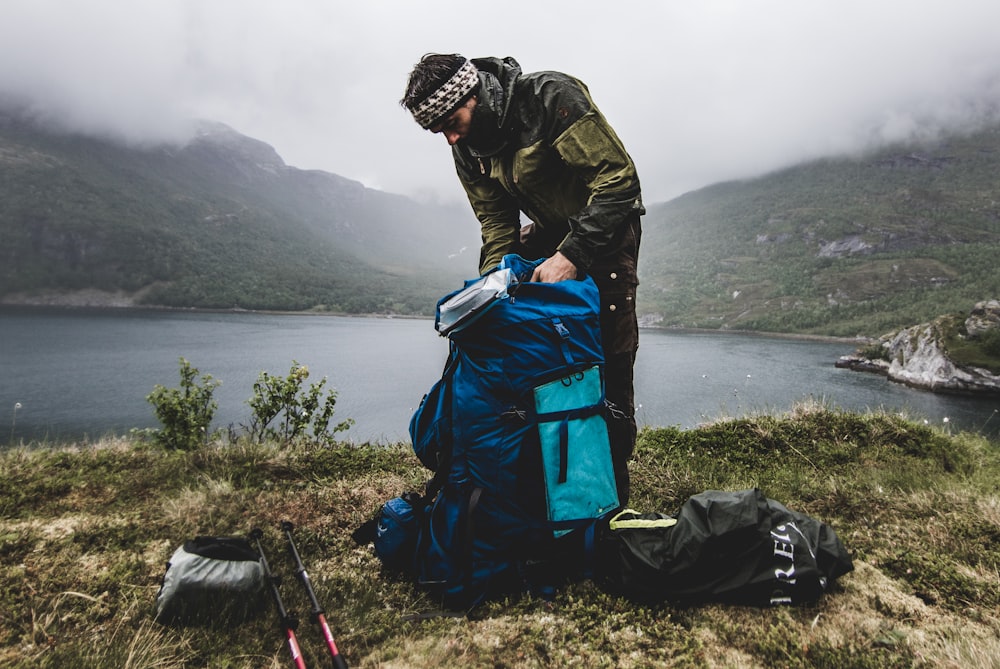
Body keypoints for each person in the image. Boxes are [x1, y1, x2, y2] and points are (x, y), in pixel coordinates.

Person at [401, 54, 643, 505]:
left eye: (453, 122)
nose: (451, 138)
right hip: (547, 234)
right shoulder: (468, 146)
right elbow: (496, 223)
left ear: (475, 97)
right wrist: (494, 284)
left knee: (609, 356)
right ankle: (537, 479)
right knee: (515, 340)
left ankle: (609, 501)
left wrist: (571, 254)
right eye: (441, 132)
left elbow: (619, 181)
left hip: (606, 229)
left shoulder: (550, 97)